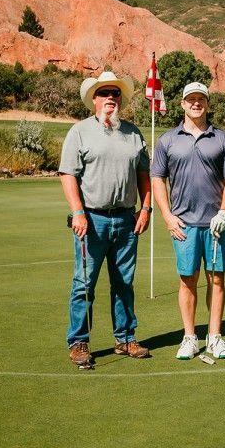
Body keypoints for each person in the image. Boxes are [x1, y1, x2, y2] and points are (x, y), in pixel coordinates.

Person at [59, 71, 154, 369]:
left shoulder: (133, 133)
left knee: (124, 282)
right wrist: (77, 212)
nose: (110, 97)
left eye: (115, 93)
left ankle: (125, 338)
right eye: (104, 93)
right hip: (92, 219)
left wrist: (146, 208)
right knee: (84, 283)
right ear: (94, 100)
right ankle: (79, 342)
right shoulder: (79, 131)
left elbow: (144, 175)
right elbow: (68, 174)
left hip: (126, 219)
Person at [151, 82, 225, 360]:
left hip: (216, 225)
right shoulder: (167, 140)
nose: (196, 103)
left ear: (208, 104)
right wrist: (167, 216)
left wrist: (224, 212)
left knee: (217, 280)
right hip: (184, 224)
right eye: (191, 99)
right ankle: (189, 337)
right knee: (187, 280)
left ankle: (214, 337)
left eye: (201, 99)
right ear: (182, 104)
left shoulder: (222, 139)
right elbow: (157, 180)